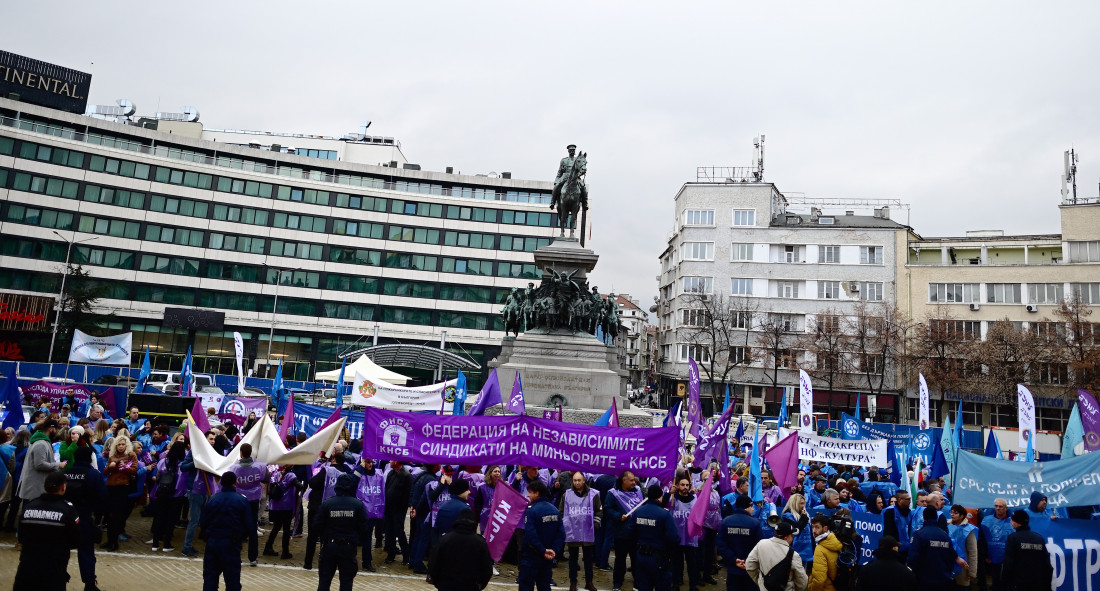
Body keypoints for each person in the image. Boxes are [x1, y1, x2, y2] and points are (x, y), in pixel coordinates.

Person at [14, 471, 80, 591]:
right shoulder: (67, 509)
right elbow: (75, 539)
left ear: (45, 486)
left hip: (27, 566)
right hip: (54, 568)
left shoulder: (29, 507)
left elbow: (21, 535)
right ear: (63, 487)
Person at [313, 473, 369, 591]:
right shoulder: (358, 504)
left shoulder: (327, 503)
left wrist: (324, 537)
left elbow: (316, 525)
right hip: (348, 547)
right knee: (346, 582)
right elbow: (364, 527)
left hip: (329, 546)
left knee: (324, 581)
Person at [65, 446, 108, 591]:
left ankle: (59, 578)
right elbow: (102, 497)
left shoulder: (65, 473)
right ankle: (89, 583)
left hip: (65, 518)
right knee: (86, 553)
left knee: (61, 549)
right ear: (89, 458)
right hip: (83, 518)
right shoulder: (93, 474)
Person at [200, 471, 252, 591]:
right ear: (235, 483)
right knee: (232, 580)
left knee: (210, 579)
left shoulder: (213, 500)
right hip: (232, 544)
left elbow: (203, 522)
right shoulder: (241, 501)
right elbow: (249, 525)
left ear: (221, 483)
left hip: (213, 542)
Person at [627, 484, 680, 591]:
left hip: (641, 556)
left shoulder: (638, 512)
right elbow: (674, 538)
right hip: (659, 558)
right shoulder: (664, 514)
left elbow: (630, 533)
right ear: (659, 497)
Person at [429, 509, 494, 591]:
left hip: (447, 585)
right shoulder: (480, 542)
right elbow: (487, 569)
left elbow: (433, 564)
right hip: (470, 586)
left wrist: (439, 583)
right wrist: (479, 586)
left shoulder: (445, 540)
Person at [518, 480, 565, 591]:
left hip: (531, 557)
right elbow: (561, 533)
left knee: (526, 586)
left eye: (530, 492)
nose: (528, 495)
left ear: (537, 493)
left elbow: (531, 535)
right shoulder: (554, 510)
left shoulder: (531, 510)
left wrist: (542, 550)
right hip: (548, 558)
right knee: (544, 586)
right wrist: (554, 550)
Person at [560, 470, 602, 591]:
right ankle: (573, 583)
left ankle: (589, 582)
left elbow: (599, 511)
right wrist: (566, 525)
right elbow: (562, 511)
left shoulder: (593, 494)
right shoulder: (567, 494)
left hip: (588, 531)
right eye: (575, 480)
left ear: (584, 480)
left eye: (579, 480)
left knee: (588, 560)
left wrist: (595, 524)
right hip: (573, 532)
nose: (577, 483)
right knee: (572, 559)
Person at [230, 442, 268, 566]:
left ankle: (235, 554)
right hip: (253, 500)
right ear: (250, 453)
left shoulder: (233, 468)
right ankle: (253, 558)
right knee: (252, 529)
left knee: (238, 526)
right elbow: (266, 478)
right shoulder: (260, 467)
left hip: (239, 499)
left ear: (241, 453)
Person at [605, 470, 643, 591]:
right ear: (624, 480)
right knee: (620, 560)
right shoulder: (613, 493)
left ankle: (638, 581)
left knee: (636, 559)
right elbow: (607, 509)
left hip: (636, 532)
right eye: (631, 480)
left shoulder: (638, 491)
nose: (634, 482)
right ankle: (617, 583)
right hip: (621, 532)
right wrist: (618, 516)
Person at [745, 520, 809, 591]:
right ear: (785, 538)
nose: (793, 537)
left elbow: (749, 566)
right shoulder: (794, 555)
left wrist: (761, 583)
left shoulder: (761, 544)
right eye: (792, 535)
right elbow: (802, 580)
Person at [717, 494, 762, 591]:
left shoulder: (726, 521)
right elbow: (760, 546)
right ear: (747, 507)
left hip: (733, 569)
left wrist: (734, 559)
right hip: (750, 570)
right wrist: (747, 561)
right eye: (752, 506)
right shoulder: (755, 523)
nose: (753, 509)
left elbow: (720, 545)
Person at [101, 435, 138, 551]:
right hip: (111, 486)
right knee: (109, 515)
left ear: (126, 445)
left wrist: (124, 467)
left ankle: (114, 542)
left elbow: (134, 470)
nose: (121, 446)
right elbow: (105, 472)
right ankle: (110, 540)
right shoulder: (112, 457)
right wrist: (111, 467)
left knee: (117, 516)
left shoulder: (131, 455)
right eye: (119, 444)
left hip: (123, 487)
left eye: (123, 444)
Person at [907, 506, 957, 591]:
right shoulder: (945, 536)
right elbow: (951, 558)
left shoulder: (919, 534)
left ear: (924, 518)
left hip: (923, 581)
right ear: (936, 517)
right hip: (942, 580)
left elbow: (913, 558)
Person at [1002, 510, 1053, 591]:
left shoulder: (1013, 538)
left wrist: (1004, 585)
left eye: (1012, 519)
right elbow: (1047, 565)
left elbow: (1008, 564)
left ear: (1016, 522)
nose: (1011, 522)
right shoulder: (1039, 538)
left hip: (1018, 584)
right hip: (1038, 584)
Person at [150, 439, 186, 552]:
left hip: (162, 492)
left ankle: (155, 543)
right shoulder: (182, 465)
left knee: (159, 516)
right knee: (171, 519)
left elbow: (158, 475)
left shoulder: (163, 461)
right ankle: (167, 544)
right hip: (175, 495)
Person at [17, 418, 65, 503]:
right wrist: (58, 465)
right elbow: (39, 464)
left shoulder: (42, 441)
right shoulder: (41, 444)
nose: (58, 432)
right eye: (57, 429)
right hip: (34, 488)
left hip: (35, 485)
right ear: (51, 429)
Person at [264, 462, 297, 560]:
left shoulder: (275, 473)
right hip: (286, 505)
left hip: (276, 506)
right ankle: (285, 551)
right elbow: (299, 485)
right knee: (286, 529)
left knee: (276, 527)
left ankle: (267, 547)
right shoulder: (291, 475)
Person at [382, 460, 412, 565]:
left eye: (391, 459)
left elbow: (407, 494)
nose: (389, 461)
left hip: (399, 508)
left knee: (399, 531)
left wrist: (403, 507)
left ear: (397, 461)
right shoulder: (391, 473)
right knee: (389, 530)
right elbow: (386, 489)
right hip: (389, 507)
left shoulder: (406, 475)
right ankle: (391, 553)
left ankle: (406, 555)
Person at [980, 498, 1013, 591]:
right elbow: (982, 540)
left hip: (1008, 558)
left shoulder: (1013, 521)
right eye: (996, 506)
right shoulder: (986, 521)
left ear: (1006, 508)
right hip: (992, 557)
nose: (998, 508)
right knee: (995, 581)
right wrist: (985, 555)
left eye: (1000, 506)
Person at [781, 493, 813, 576]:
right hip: (794, 551)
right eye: (801, 503)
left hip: (806, 551)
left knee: (802, 577)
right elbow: (796, 530)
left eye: (804, 503)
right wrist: (804, 518)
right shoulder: (787, 516)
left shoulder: (805, 515)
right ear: (795, 503)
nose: (803, 506)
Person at [808, 513, 842, 591]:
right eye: (812, 527)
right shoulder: (836, 541)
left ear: (825, 528)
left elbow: (819, 580)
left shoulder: (820, 549)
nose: (814, 531)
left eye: (817, 527)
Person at [949, 504, 978, 589]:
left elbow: (973, 552)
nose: (952, 514)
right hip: (948, 564)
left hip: (963, 567)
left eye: (956, 513)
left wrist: (972, 572)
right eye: (952, 512)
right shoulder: (946, 525)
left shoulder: (969, 529)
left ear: (962, 516)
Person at [883, 490, 915, 559]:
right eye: (907, 499)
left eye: (910, 499)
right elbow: (888, 531)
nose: (910, 501)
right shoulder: (890, 512)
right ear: (900, 500)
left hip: (908, 550)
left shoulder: (910, 513)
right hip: (895, 551)